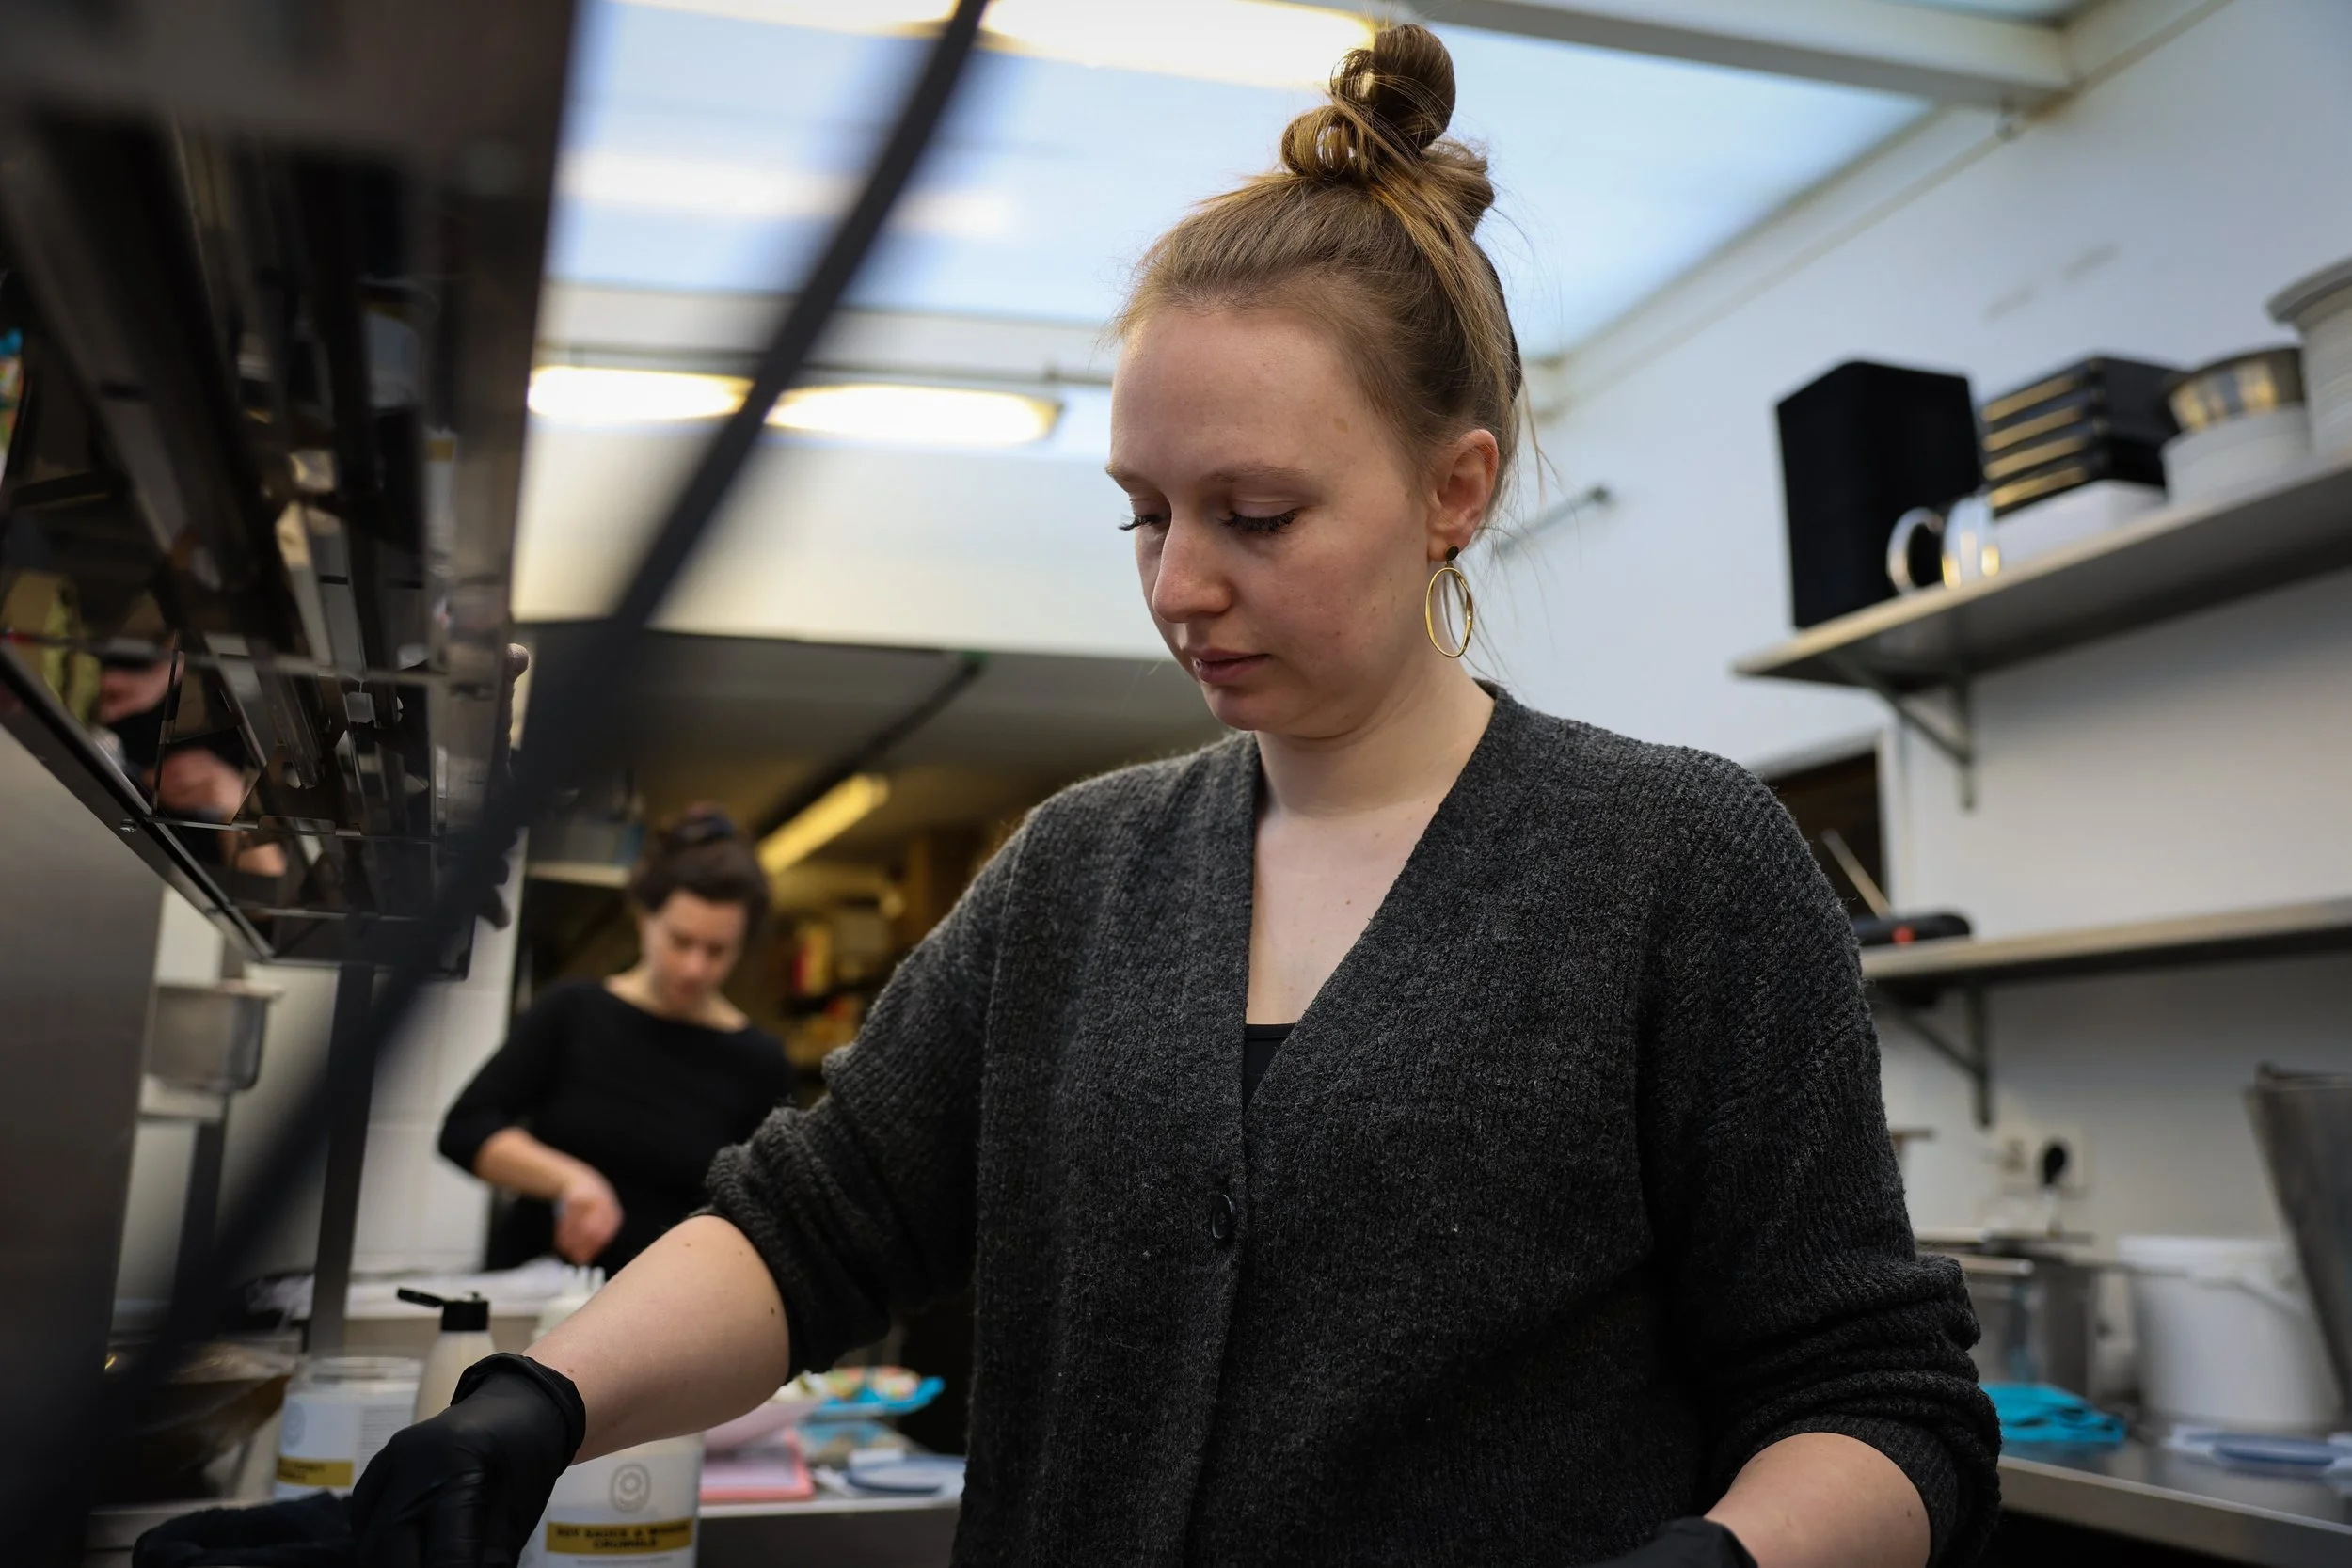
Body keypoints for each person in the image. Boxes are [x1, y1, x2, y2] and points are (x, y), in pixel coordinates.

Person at [356, 26, 1997, 1568]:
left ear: (1456, 489)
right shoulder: (1077, 873)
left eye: (1257, 514)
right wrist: (534, 1406)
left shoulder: (1676, 866)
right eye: (1145, 513)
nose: (1180, 586)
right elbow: (818, 1221)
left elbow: (1882, 1403)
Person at [437, 805, 796, 1274]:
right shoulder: (573, 1011)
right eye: (681, 941)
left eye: (716, 951)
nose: (694, 968)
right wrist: (572, 1181)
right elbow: (465, 1129)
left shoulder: (761, 1063)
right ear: (644, 917)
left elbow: (769, 1213)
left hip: (669, 1307)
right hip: (542, 1290)